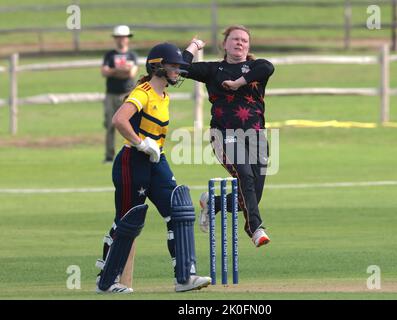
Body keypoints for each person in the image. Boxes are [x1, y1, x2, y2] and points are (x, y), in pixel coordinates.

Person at [95, 42, 211, 293]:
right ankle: (106, 281)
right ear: (158, 66)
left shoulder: (164, 94)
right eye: (173, 67)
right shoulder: (143, 92)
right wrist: (140, 143)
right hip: (132, 161)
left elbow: (183, 62)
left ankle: (185, 277)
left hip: (157, 159)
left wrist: (192, 46)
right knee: (128, 220)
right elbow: (119, 119)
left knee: (179, 209)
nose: (178, 71)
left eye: (178, 67)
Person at [182, 26, 275, 248]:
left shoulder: (255, 67)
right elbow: (181, 69)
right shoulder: (214, 70)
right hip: (224, 134)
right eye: (234, 39)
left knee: (250, 196)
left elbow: (268, 67)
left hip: (257, 137)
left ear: (248, 46)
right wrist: (193, 46)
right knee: (244, 175)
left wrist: (237, 83)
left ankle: (212, 203)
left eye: (244, 40)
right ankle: (255, 229)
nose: (239, 43)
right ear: (225, 44)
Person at [101, 25, 139, 163]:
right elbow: (104, 72)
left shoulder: (132, 55)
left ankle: (132, 153)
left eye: (123, 37)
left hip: (129, 95)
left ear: (127, 38)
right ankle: (109, 156)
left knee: (131, 124)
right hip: (111, 94)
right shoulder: (109, 55)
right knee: (110, 125)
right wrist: (120, 69)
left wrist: (114, 70)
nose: (121, 40)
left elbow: (131, 73)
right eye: (118, 37)